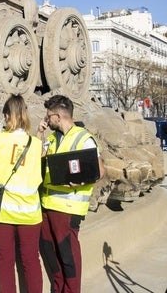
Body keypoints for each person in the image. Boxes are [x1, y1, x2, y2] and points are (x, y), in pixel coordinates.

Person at [0, 94, 44, 293]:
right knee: (31, 261)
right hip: (30, 213)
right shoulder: (36, 144)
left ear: (6, 116)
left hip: (2, 211)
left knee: (5, 261)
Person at [37, 95, 106, 293]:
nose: (46, 120)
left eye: (49, 116)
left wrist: (83, 180)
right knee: (51, 255)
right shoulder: (50, 138)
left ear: (58, 116)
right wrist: (39, 133)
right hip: (47, 206)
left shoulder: (83, 138)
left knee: (68, 256)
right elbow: (37, 159)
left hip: (68, 207)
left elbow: (100, 171)